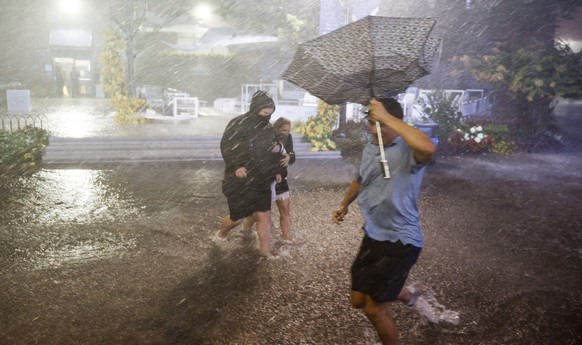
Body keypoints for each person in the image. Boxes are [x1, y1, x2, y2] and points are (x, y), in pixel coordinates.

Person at [331, 98, 436, 345]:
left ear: (396, 123)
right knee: (357, 301)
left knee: (374, 310)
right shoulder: (371, 148)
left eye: (381, 125)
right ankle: (408, 295)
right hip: (373, 234)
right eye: (371, 124)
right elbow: (360, 178)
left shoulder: (409, 151)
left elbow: (429, 148)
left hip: (401, 241)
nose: (375, 130)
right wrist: (344, 205)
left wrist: (387, 117)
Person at [216, 90, 283, 257]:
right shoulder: (238, 123)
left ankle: (265, 253)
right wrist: (236, 166)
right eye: (264, 113)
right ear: (255, 110)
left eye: (270, 114)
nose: (267, 117)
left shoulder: (268, 128)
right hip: (240, 179)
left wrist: (276, 170)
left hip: (261, 179)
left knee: (265, 215)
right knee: (237, 218)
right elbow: (226, 146)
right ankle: (221, 234)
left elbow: (270, 152)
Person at [243, 117, 296, 242]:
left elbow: (292, 154)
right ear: (276, 128)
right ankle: (248, 223)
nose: (286, 133)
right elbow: (262, 159)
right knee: (263, 212)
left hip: (282, 178)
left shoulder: (288, 138)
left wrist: (290, 156)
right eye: (284, 130)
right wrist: (274, 172)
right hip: (266, 178)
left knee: (285, 208)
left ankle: (287, 239)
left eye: (288, 131)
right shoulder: (267, 138)